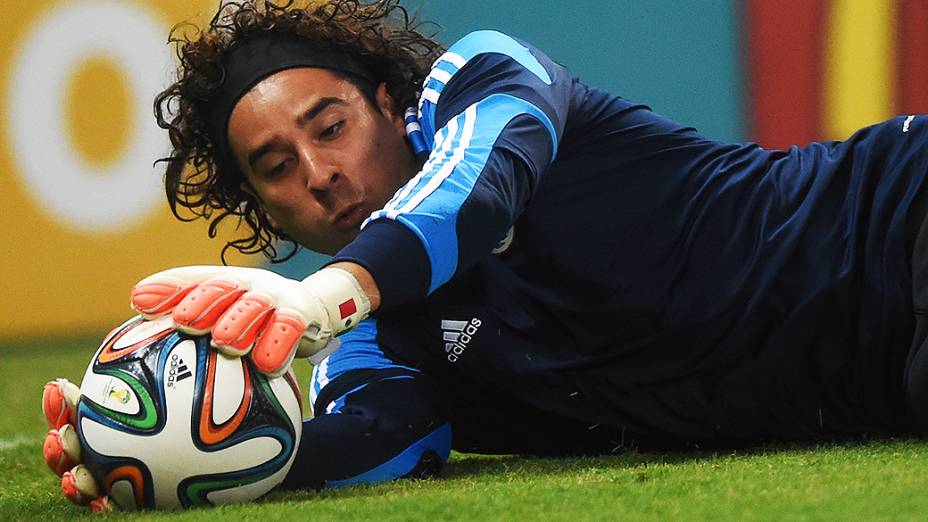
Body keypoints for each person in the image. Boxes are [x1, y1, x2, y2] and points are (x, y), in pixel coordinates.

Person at [41, 0, 928, 510]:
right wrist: (167, 457)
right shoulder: (375, 346)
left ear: (390, 107)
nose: (320, 174)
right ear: (261, 204)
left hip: (899, 216)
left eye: (332, 127)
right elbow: (370, 441)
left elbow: (471, 198)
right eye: (277, 167)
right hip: (887, 379)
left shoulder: (481, 78)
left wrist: (321, 299)